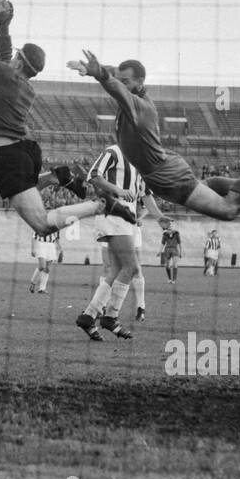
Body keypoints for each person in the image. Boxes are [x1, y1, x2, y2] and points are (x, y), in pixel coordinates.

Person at [0, 0, 135, 238]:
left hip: (8, 155)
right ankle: (56, 176)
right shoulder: (20, 83)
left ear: (19, 62)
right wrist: (4, 26)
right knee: (26, 193)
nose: (10, 58)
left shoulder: (6, 78)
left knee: (43, 225)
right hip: (24, 152)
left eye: (15, 56)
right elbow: (4, 56)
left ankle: (100, 205)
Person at [71, 52, 240, 221]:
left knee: (229, 211)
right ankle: (235, 184)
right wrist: (99, 68)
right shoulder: (139, 93)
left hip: (166, 175)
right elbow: (118, 78)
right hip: (162, 168)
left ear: (140, 82)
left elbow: (117, 89)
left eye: (126, 81)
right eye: (120, 78)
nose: (122, 83)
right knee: (204, 186)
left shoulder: (140, 107)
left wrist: (99, 73)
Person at [74, 144, 165, 341]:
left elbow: (145, 194)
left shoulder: (140, 162)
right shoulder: (114, 151)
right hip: (113, 213)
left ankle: (88, 316)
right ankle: (110, 316)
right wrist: (119, 190)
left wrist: (159, 218)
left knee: (115, 270)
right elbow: (93, 175)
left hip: (126, 219)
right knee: (131, 267)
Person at [29, 231, 57, 296]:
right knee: (42, 266)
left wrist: (60, 248)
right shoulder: (40, 224)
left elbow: (56, 237)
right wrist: (32, 249)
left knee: (47, 269)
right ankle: (33, 283)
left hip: (51, 245)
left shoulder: (54, 225)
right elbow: (33, 236)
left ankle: (42, 289)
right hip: (41, 244)